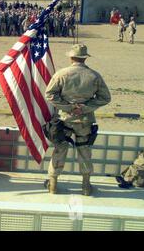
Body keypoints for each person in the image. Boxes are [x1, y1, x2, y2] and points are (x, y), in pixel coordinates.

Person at [45, 44, 111, 196]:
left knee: (60, 150)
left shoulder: (62, 74)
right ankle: (86, 186)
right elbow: (105, 98)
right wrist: (85, 108)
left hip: (65, 119)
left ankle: (53, 184)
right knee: (85, 151)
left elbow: (50, 94)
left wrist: (68, 107)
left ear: (71, 57)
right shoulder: (94, 76)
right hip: (85, 121)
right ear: (85, 57)